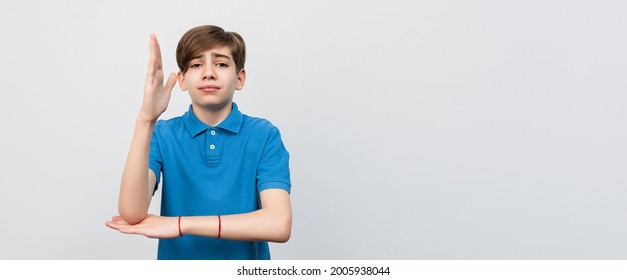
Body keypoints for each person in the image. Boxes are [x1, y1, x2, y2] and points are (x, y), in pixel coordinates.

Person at [105, 25, 292, 260]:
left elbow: (279, 224)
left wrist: (183, 225)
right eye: (196, 65)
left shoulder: (264, 134)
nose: (209, 73)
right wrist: (146, 119)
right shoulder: (163, 134)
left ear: (240, 78)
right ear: (182, 80)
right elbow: (132, 213)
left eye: (221, 64)